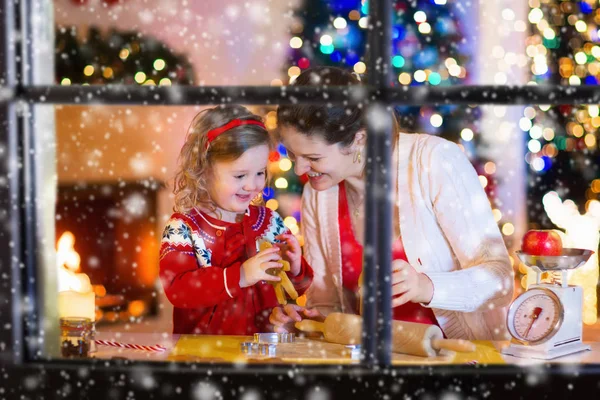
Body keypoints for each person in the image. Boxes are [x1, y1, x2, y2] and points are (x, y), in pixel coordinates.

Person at [269, 67, 514, 340]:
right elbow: (328, 303)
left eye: (313, 157)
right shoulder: (318, 195)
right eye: (292, 153)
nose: (301, 168)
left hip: (459, 360)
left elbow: (500, 280)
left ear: (359, 139)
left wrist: (426, 286)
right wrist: (310, 323)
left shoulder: (434, 160)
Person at [160, 105, 313, 335]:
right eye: (240, 175)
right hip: (204, 355)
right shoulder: (184, 228)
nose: (252, 185)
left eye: (260, 172)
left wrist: (295, 266)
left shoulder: (269, 222)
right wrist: (240, 276)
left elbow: (293, 290)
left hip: (263, 352)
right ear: (204, 170)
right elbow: (177, 290)